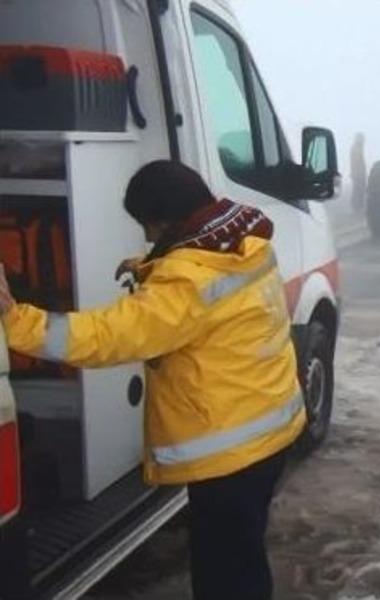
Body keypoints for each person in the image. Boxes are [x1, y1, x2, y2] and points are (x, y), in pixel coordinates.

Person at [0, 160, 303, 600]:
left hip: (229, 455)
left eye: (149, 226)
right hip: (267, 434)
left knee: (224, 575)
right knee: (244, 557)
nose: (146, 236)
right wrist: (151, 268)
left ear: (168, 218)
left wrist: (16, 320)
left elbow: (113, 336)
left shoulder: (185, 283)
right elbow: (193, 284)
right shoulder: (244, 242)